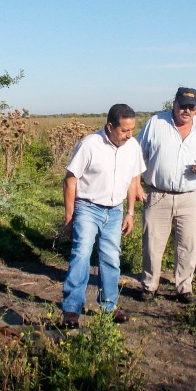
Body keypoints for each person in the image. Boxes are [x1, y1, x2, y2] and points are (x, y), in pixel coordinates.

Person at [61, 103, 146, 328]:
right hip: (88, 207)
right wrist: (69, 217)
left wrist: (130, 212)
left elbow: (132, 180)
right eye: (124, 131)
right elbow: (70, 180)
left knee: (111, 258)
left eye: (132, 130)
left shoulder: (133, 146)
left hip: (115, 211)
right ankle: (71, 309)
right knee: (81, 255)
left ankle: (109, 306)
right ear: (110, 127)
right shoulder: (90, 145)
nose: (129, 135)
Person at [136, 87, 196, 304]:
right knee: (152, 243)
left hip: (189, 197)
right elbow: (136, 155)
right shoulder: (155, 123)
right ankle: (149, 286)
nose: (186, 110)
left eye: (191, 107)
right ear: (173, 104)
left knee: (187, 243)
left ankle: (184, 288)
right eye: (182, 105)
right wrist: (136, 185)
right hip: (158, 195)